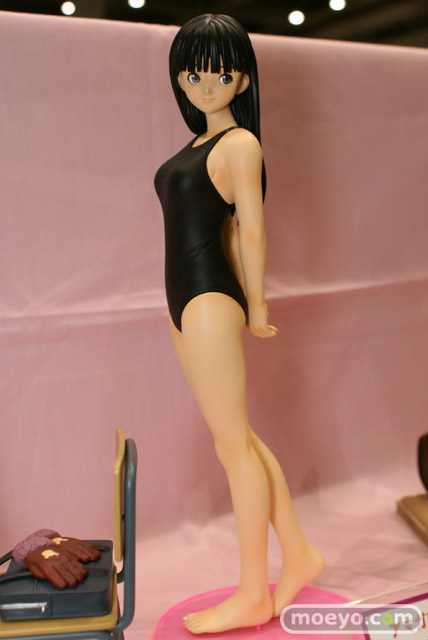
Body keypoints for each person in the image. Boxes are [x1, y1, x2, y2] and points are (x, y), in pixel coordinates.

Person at [154, 13, 325, 634]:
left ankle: (255, 590)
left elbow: (251, 229)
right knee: (240, 439)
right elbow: (225, 229)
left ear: (243, 79)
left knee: (233, 448)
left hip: (209, 298)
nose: (207, 85)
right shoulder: (196, 148)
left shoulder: (240, 145)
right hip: (183, 302)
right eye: (195, 73)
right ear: (180, 77)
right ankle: (299, 552)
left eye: (221, 74)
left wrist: (257, 305)